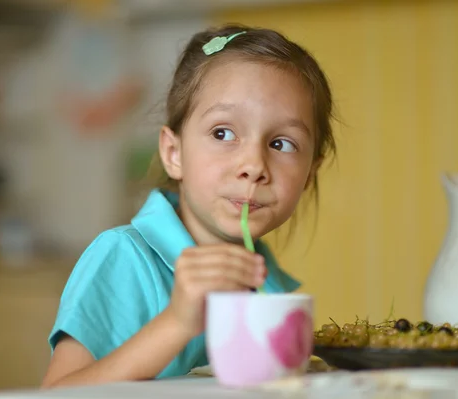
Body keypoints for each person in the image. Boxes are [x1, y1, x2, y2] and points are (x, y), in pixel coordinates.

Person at [41, 23, 336, 388]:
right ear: (173, 153)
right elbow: (56, 393)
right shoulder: (124, 257)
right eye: (223, 133)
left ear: (310, 173)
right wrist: (178, 323)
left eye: (281, 144)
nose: (255, 166)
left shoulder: (264, 280)